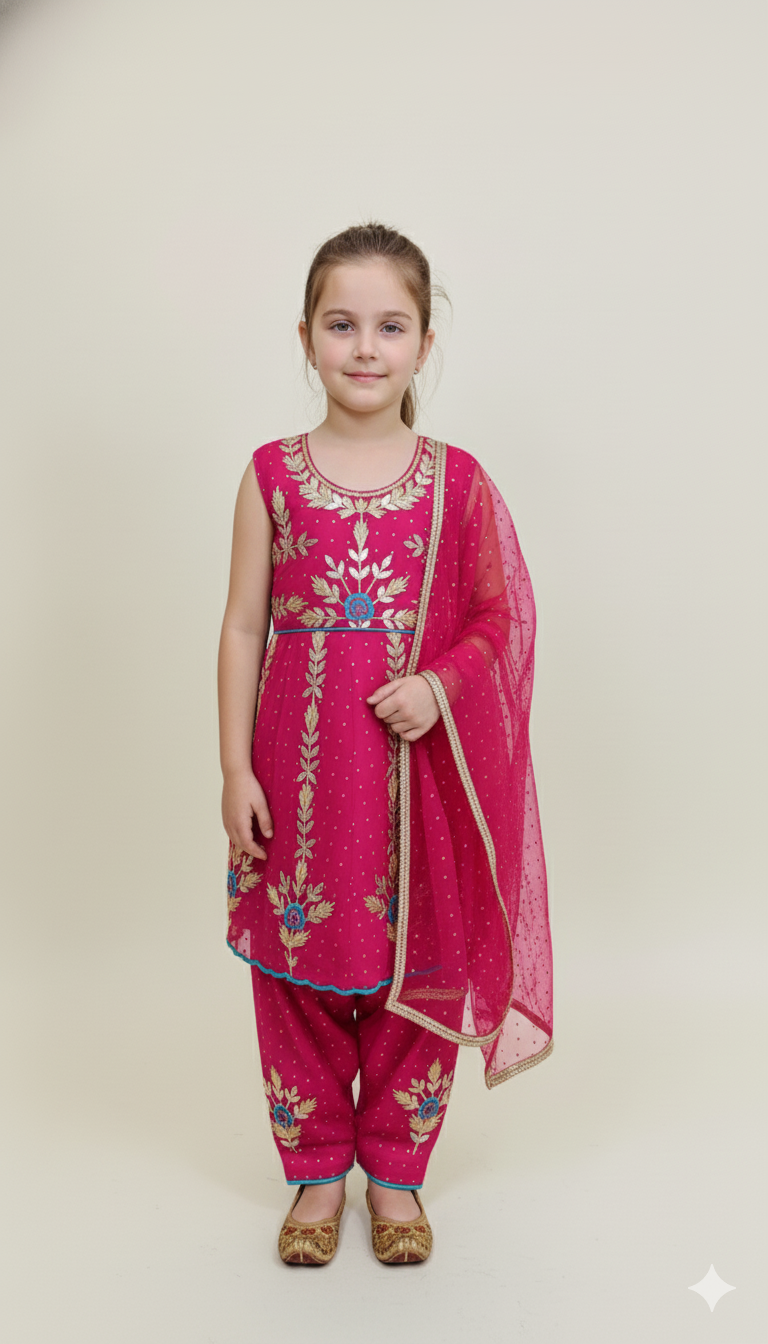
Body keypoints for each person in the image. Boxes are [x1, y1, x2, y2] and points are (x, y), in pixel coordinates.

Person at [217, 222, 553, 1266]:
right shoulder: (270, 475)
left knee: (421, 963)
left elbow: (499, 617)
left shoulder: (457, 482)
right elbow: (242, 626)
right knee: (300, 969)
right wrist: (233, 770)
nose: (366, 348)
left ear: (424, 342)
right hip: (298, 781)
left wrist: (441, 686)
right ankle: (318, 1170)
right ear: (306, 337)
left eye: (391, 326)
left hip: (419, 784)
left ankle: (397, 1172)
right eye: (342, 324)